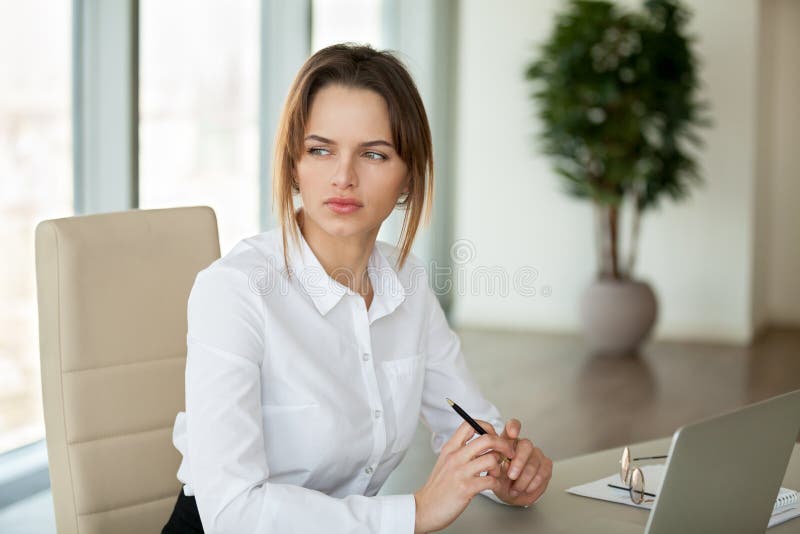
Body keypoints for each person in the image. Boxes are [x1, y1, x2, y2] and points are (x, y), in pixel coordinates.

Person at [162, 43, 552, 534]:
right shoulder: (235, 292)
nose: (343, 177)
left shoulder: (407, 281)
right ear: (293, 165)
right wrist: (417, 511)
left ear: (408, 176)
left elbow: (468, 425)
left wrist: (507, 472)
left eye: (373, 154)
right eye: (320, 150)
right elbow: (233, 512)